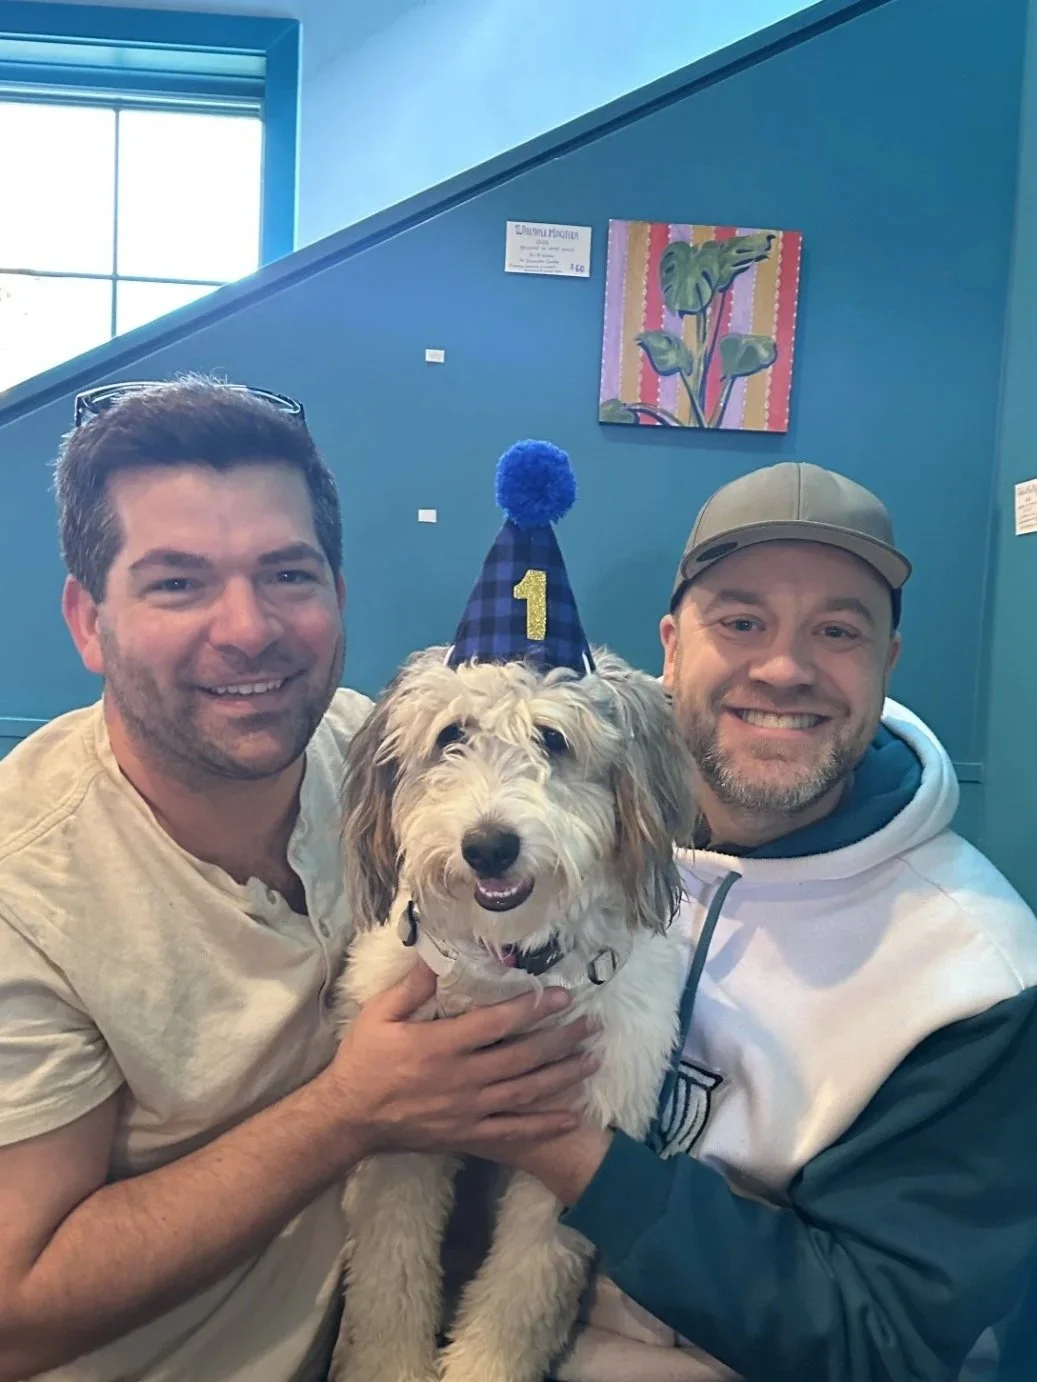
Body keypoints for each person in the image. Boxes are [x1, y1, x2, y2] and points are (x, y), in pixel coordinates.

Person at [0, 377, 594, 1382]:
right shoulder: (25, 890)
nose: (247, 628)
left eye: (286, 573)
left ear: (337, 595)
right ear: (88, 620)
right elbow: (14, 1313)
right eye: (177, 583)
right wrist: (349, 1112)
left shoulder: (381, 754)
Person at [476, 462, 1037, 1382]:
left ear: (887, 663)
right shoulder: (547, 846)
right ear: (669, 648)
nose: (783, 669)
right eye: (740, 622)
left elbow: (882, 1342)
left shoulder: (977, 972)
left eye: (837, 631)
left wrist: (563, 1151)